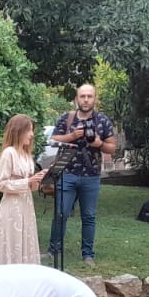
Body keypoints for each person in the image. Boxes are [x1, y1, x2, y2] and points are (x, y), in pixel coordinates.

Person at [48, 84, 116, 268]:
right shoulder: (67, 118)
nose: (86, 100)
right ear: (77, 98)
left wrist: (98, 143)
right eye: (82, 96)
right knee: (61, 213)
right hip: (67, 173)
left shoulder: (102, 121)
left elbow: (112, 147)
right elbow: (53, 139)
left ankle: (88, 254)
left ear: (95, 99)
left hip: (91, 176)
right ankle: (53, 250)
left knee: (89, 216)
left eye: (89, 96)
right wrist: (71, 136)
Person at [0, 115, 47, 265]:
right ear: (18, 131)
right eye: (29, 130)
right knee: (14, 245)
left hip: (26, 207)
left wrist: (37, 179)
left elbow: (30, 186)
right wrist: (27, 181)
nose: (32, 134)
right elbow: (1, 184)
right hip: (11, 209)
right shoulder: (8, 153)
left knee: (26, 243)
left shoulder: (27, 155)